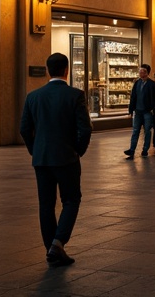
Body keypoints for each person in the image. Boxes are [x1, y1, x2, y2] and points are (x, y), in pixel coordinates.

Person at [20, 52, 92, 267]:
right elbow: (85, 128)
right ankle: (58, 243)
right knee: (71, 199)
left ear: (48, 70)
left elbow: (24, 128)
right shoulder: (75, 95)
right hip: (66, 157)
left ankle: (51, 247)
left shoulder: (33, 96)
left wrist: (35, 150)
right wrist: (77, 150)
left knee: (46, 204)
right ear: (67, 70)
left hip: (42, 159)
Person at [125, 64, 155, 158]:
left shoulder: (152, 84)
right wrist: (131, 110)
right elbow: (133, 97)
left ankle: (145, 149)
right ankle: (132, 150)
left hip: (147, 111)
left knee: (147, 131)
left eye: (143, 71)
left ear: (147, 73)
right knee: (135, 130)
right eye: (140, 71)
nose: (141, 73)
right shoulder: (137, 83)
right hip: (138, 111)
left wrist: (153, 108)